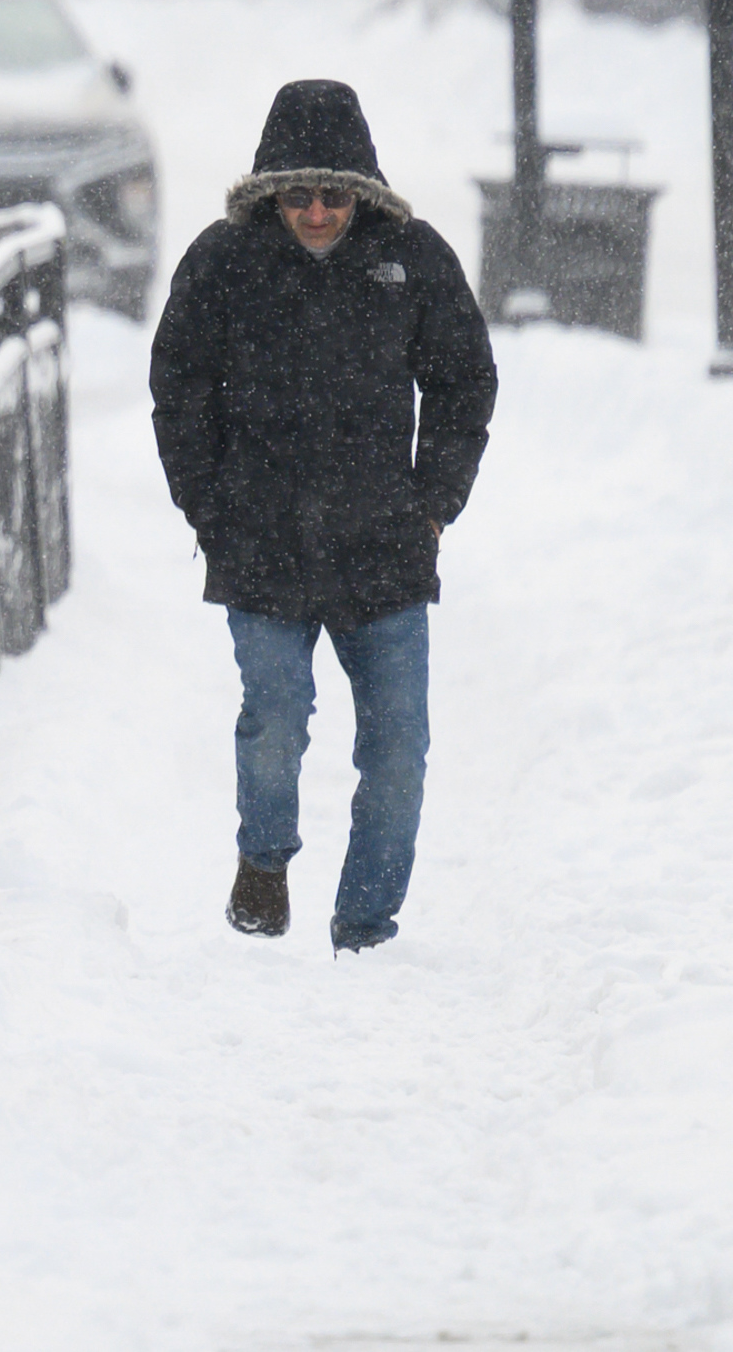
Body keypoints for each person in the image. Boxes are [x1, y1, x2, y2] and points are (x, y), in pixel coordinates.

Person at [149, 79, 496, 953]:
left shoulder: (412, 259)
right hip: (259, 544)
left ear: (362, 192)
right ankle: (263, 861)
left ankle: (367, 926)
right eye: (297, 194)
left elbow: (464, 381)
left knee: (398, 752)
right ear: (270, 191)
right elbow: (178, 386)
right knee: (273, 716)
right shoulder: (224, 261)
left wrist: (432, 506)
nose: (315, 212)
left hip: (385, 548)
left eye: (333, 194)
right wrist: (207, 506)